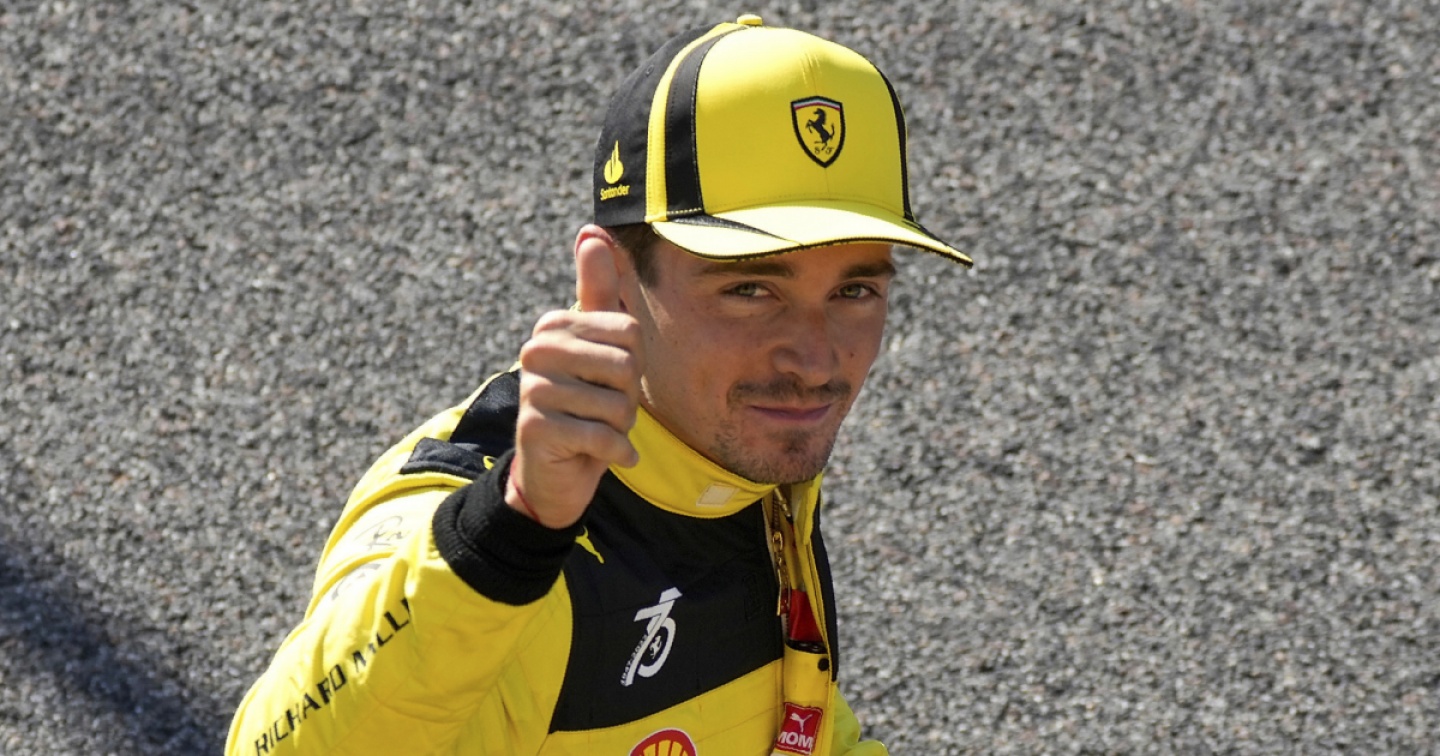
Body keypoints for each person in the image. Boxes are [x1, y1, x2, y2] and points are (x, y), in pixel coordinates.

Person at [226, 14, 971, 756]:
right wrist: (515, 528)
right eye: (749, 290)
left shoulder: (745, 466)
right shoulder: (475, 516)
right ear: (614, 279)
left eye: (854, 291)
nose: (814, 361)